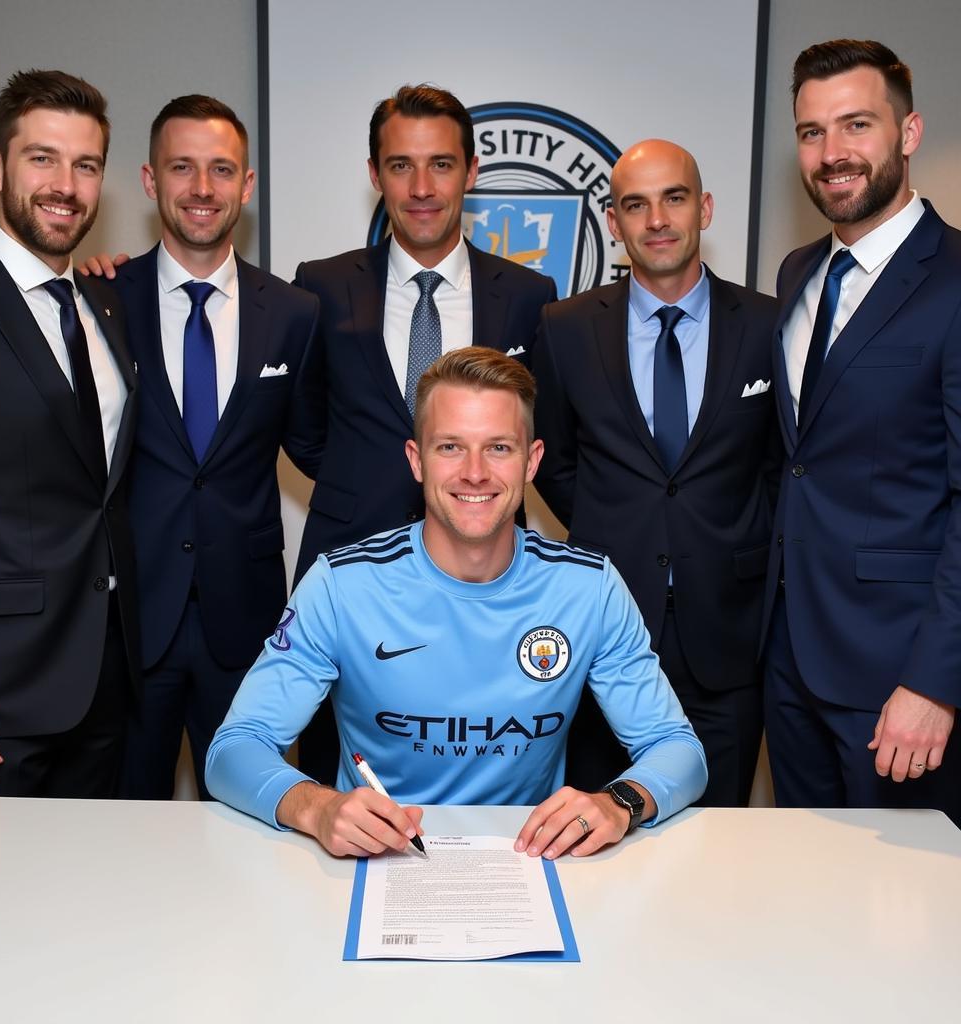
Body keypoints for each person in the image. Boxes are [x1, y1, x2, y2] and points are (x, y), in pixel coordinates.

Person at [207, 347, 706, 859]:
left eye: (498, 448)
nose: (474, 473)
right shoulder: (342, 585)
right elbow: (234, 749)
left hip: (527, 864)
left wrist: (620, 802)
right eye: (449, 447)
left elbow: (678, 749)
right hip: (375, 863)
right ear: (415, 460)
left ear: (532, 461)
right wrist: (317, 808)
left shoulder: (589, 588)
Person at [291, 84, 557, 783]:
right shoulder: (318, 287)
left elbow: (541, 430)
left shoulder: (530, 296)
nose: (420, 187)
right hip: (351, 565)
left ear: (471, 172)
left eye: (440, 164)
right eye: (400, 165)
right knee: (331, 778)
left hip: (489, 572)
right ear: (375, 175)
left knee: (485, 759)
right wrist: (367, 481)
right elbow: (303, 426)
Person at [83, 96, 319, 799]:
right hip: (128, 623)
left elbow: (318, 445)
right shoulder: (100, 297)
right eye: (182, 167)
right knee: (126, 829)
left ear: (247, 186)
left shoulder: (295, 312)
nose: (203, 188)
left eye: (222, 170)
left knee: (253, 820)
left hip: (245, 624)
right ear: (152, 180)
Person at [534, 140, 778, 806]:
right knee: (594, 835)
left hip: (729, 635)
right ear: (613, 224)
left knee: (719, 837)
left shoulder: (767, 323)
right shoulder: (564, 327)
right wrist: (614, 526)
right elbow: (552, 461)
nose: (657, 220)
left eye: (673, 198)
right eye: (635, 205)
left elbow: (780, 466)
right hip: (608, 631)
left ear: (704, 208)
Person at [763, 39, 961, 821]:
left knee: (900, 918)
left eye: (856, 126)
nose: (833, 154)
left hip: (899, 680)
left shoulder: (954, 280)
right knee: (804, 896)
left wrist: (936, 682)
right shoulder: (797, 272)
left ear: (908, 133)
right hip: (789, 660)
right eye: (812, 132)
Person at [0, 70, 139, 797]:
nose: (66, 184)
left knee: (90, 899)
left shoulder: (103, 307)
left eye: (85, 165)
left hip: (106, 684)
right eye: (42, 158)